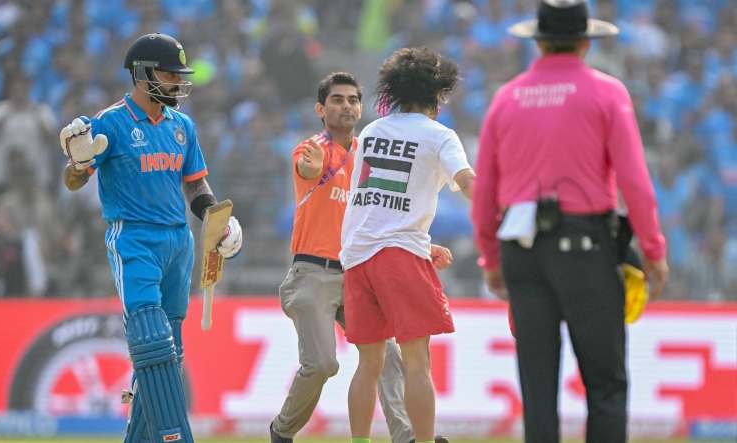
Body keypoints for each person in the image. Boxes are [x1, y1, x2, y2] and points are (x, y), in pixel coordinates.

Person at [471, 1, 669, 442]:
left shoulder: (506, 97)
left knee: (538, 389)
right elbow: (634, 180)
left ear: (538, 42)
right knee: (605, 382)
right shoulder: (606, 91)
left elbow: (485, 193)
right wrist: (653, 250)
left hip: (521, 249)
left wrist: (491, 259)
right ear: (586, 41)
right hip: (585, 247)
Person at [59, 33, 243, 443]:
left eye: (180, 75)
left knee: (168, 355)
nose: (178, 83)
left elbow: (196, 186)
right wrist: (79, 161)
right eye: (169, 74)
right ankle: (178, 438)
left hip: (179, 241)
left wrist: (220, 222)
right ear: (141, 74)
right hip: (134, 239)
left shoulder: (182, 126)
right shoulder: (108, 123)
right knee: (150, 338)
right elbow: (75, 180)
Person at [273, 72, 439, 443]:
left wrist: (424, 246)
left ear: (361, 108)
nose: (346, 106)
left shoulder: (372, 152)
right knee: (321, 365)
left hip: (358, 272)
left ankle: (407, 437)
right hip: (312, 272)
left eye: (352, 100)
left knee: (390, 359)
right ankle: (282, 431)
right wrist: (311, 171)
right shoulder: (313, 148)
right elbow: (306, 168)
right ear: (320, 109)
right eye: (336, 100)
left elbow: (386, 214)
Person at [340, 48, 476, 443]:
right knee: (417, 363)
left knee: (368, 365)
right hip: (400, 256)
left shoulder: (371, 131)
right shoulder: (439, 135)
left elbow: (371, 198)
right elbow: (467, 182)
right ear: (438, 94)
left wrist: (422, 242)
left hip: (357, 256)